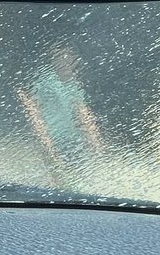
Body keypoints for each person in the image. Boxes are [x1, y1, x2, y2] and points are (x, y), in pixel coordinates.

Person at [18, 46, 102, 185]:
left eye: (69, 59)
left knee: (81, 178)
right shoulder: (43, 81)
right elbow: (33, 111)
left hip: (73, 140)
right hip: (52, 140)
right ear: (53, 61)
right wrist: (44, 141)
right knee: (57, 180)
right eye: (60, 59)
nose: (66, 63)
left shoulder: (72, 83)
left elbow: (82, 113)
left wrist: (94, 141)